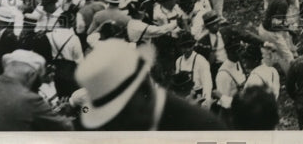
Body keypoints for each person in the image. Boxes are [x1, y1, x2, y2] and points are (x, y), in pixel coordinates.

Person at [74, 39, 225, 130]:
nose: (117, 121)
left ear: (143, 89)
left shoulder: (198, 125)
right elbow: (85, 108)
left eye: (120, 110)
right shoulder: (93, 102)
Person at [0, 49, 73, 131]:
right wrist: (63, 114)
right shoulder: (29, 100)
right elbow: (66, 128)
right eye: (37, 83)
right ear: (31, 76)